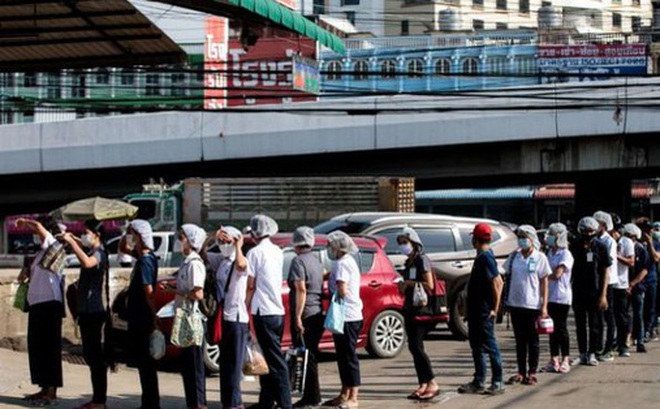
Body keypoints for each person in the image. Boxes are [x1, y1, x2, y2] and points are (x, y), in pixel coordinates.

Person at [16, 216, 65, 406]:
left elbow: (38, 226)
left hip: (49, 304)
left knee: (50, 348)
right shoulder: (39, 253)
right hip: (36, 304)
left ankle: (51, 390)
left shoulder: (53, 245)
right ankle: (43, 387)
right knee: (38, 348)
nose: (35, 234)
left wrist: (24, 221)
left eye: (38, 232)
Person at [245, 215, 292, 409]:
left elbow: (250, 284)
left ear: (255, 233)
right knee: (267, 356)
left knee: (274, 359)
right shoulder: (277, 251)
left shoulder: (254, 253)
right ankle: (266, 401)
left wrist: (244, 306)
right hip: (277, 310)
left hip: (262, 310)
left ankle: (285, 402)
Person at [62, 220, 109, 409]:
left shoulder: (99, 253)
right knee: (90, 356)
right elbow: (84, 250)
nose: (84, 236)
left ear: (96, 235)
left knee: (95, 357)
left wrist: (72, 243)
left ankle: (99, 401)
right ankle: (97, 399)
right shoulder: (92, 249)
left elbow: (88, 263)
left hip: (94, 311)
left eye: (86, 232)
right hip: (86, 311)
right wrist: (73, 239)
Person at [162, 224, 207, 409]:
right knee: (187, 366)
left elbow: (197, 293)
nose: (180, 241)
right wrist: (174, 289)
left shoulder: (195, 264)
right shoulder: (187, 262)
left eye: (183, 238)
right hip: (184, 317)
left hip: (192, 318)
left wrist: (179, 292)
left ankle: (199, 404)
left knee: (194, 366)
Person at [205, 226, 250, 409]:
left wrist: (238, 245)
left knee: (234, 365)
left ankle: (235, 403)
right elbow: (202, 254)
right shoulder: (221, 261)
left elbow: (242, 265)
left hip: (237, 318)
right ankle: (228, 402)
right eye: (221, 242)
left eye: (227, 242)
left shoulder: (238, 260)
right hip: (223, 317)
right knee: (225, 365)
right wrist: (211, 237)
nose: (223, 245)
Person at [458, 223, 504, 395]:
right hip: (476, 311)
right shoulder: (482, 257)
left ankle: (498, 381)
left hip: (484, 311)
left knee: (490, 345)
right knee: (477, 346)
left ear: (475, 239)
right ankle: (479, 380)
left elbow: (498, 283)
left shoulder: (485, 257)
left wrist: (495, 308)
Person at [396, 227, 440, 401]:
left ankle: (432, 381)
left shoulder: (421, 259)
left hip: (421, 310)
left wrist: (409, 283)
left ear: (414, 243)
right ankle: (423, 383)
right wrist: (403, 285)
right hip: (410, 308)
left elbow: (429, 284)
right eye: (400, 243)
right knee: (414, 347)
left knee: (416, 346)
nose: (402, 246)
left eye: (405, 243)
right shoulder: (409, 261)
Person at [503, 225, 551, 386]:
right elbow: (505, 275)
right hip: (515, 304)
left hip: (533, 304)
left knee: (533, 340)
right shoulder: (514, 257)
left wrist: (544, 306)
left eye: (525, 237)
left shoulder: (540, 257)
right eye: (520, 237)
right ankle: (521, 371)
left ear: (532, 239)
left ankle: (532, 371)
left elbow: (544, 283)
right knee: (520, 341)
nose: (522, 240)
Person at [120, 219, 160, 409]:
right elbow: (123, 248)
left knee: (146, 364)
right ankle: (149, 402)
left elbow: (149, 292)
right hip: (140, 317)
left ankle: (151, 403)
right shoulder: (147, 257)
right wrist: (125, 232)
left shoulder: (145, 261)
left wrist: (153, 318)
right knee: (144, 364)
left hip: (142, 318)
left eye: (134, 234)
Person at [323, 231, 363, 409]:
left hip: (348, 315)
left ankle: (354, 396)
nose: (328, 249)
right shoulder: (344, 262)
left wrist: (331, 291)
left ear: (338, 247)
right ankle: (344, 392)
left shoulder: (343, 264)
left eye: (330, 245)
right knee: (342, 355)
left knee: (348, 356)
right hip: (348, 315)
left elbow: (342, 290)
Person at [287, 226, 325, 408]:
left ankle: (311, 397)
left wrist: (297, 317)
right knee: (312, 356)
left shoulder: (298, 262)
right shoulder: (316, 260)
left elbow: (301, 289)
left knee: (306, 357)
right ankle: (313, 395)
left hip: (307, 313)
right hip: (317, 312)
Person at [570, 217, 611, 366]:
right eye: (585, 231)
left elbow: (606, 270)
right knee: (580, 324)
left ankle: (592, 352)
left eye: (590, 231)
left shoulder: (601, 247)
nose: (588, 234)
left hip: (595, 290)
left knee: (594, 325)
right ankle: (582, 353)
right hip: (578, 290)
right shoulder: (574, 246)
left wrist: (603, 294)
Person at [541, 223, 574, 373]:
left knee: (561, 328)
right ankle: (553, 358)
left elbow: (557, 273)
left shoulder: (565, 254)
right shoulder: (549, 253)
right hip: (550, 296)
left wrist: (544, 277)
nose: (549, 237)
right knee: (551, 329)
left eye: (553, 235)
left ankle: (565, 358)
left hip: (561, 296)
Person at [593, 211, 618, 362]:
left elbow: (607, 266)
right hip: (597, 281)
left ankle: (609, 347)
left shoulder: (609, 242)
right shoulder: (596, 240)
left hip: (608, 282)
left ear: (603, 225)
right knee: (598, 318)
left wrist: (603, 290)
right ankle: (598, 347)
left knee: (609, 316)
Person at [612, 224, 634, 357]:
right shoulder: (606, 241)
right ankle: (610, 343)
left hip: (621, 283)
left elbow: (631, 262)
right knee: (609, 317)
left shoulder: (626, 242)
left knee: (622, 317)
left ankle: (623, 344)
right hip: (609, 283)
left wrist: (616, 257)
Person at [626, 223, 649, 353]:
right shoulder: (622, 248)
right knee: (625, 315)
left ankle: (640, 341)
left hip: (638, 287)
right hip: (624, 286)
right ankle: (624, 339)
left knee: (638, 315)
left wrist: (632, 284)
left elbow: (644, 270)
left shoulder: (641, 250)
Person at [642, 221, 659, 342]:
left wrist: (650, 243)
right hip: (638, 279)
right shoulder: (637, 243)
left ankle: (649, 329)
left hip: (651, 278)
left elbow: (656, 258)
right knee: (638, 309)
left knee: (651, 306)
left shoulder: (656, 244)